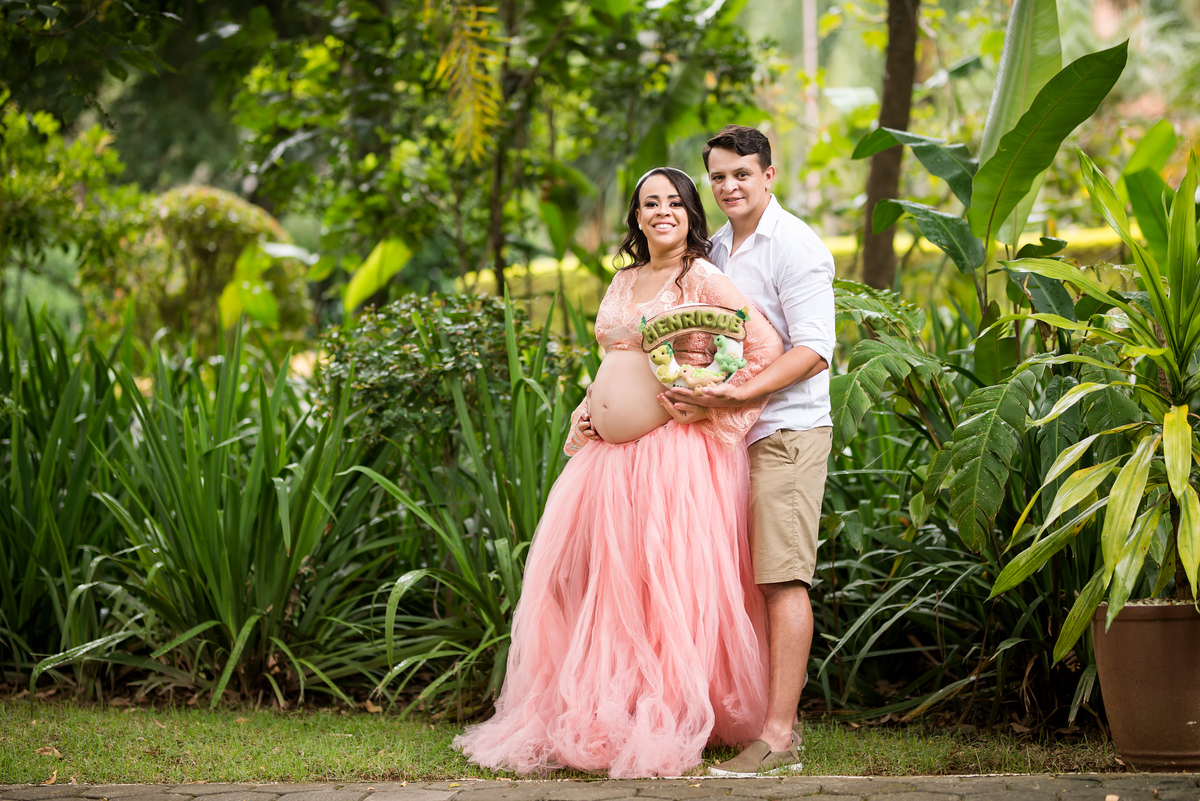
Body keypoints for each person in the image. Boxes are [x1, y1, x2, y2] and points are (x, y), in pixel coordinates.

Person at [454, 167, 783, 778]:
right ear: (635, 216)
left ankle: (669, 710)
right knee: (602, 584)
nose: (662, 211)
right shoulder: (625, 279)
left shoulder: (702, 277)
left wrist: (712, 403)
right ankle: (613, 708)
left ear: (691, 213)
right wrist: (587, 411)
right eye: (649, 203)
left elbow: (760, 347)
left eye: (675, 203)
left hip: (671, 453)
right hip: (607, 457)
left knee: (663, 590)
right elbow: (613, 357)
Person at [664, 125, 835, 777]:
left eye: (742, 173)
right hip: (720, 439)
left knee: (782, 575)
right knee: (732, 579)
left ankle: (779, 734)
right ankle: (728, 713)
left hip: (783, 434)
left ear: (769, 174)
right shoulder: (716, 249)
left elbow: (815, 349)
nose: (730, 186)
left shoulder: (796, 246)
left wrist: (738, 398)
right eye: (718, 176)